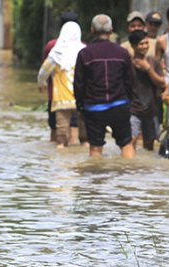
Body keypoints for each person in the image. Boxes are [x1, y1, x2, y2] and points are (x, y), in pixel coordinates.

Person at [74, 14, 134, 158]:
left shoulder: (85, 54)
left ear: (92, 30)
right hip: (119, 105)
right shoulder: (122, 53)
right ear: (111, 29)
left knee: (95, 148)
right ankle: (131, 177)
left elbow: (79, 84)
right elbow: (130, 81)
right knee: (126, 143)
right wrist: (128, 102)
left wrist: (80, 105)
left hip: (94, 108)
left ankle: (96, 177)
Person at [37, 21, 86, 148]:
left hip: (62, 101)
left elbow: (43, 72)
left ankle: (60, 166)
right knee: (86, 139)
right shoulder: (85, 52)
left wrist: (41, 84)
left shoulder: (56, 54)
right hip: (82, 100)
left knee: (61, 140)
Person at [43, 11, 80, 144]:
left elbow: (45, 72)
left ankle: (58, 163)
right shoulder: (83, 47)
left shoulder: (52, 47)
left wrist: (41, 84)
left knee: (56, 136)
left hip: (57, 98)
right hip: (79, 98)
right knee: (76, 135)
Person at [128, 29, 165, 153]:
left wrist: (148, 69)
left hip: (151, 109)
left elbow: (161, 82)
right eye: (141, 44)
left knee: (149, 146)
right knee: (131, 142)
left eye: (146, 43)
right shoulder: (128, 64)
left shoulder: (153, 62)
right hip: (133, 109)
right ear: (133, 46)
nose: (144, 46)